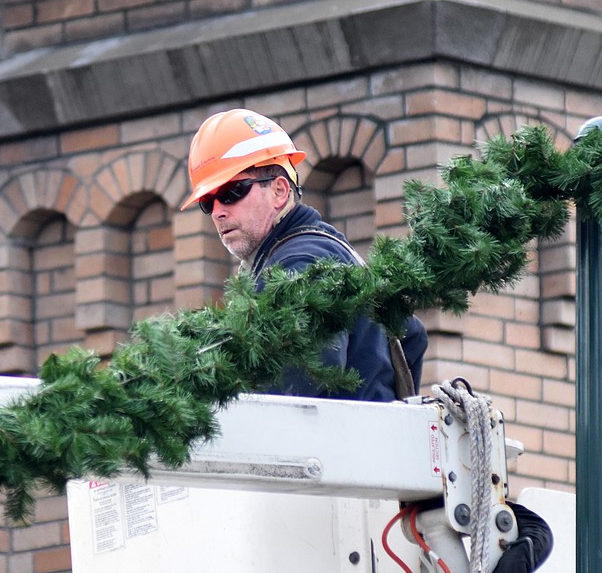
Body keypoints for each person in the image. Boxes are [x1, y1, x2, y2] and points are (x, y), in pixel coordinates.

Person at [181, 108, 427, 402]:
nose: (219, 210)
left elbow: (296, 382)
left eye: (232, 191)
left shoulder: (300, 262)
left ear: (279, 191)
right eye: (208, 201)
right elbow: (413, 335)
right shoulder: (321, 251)